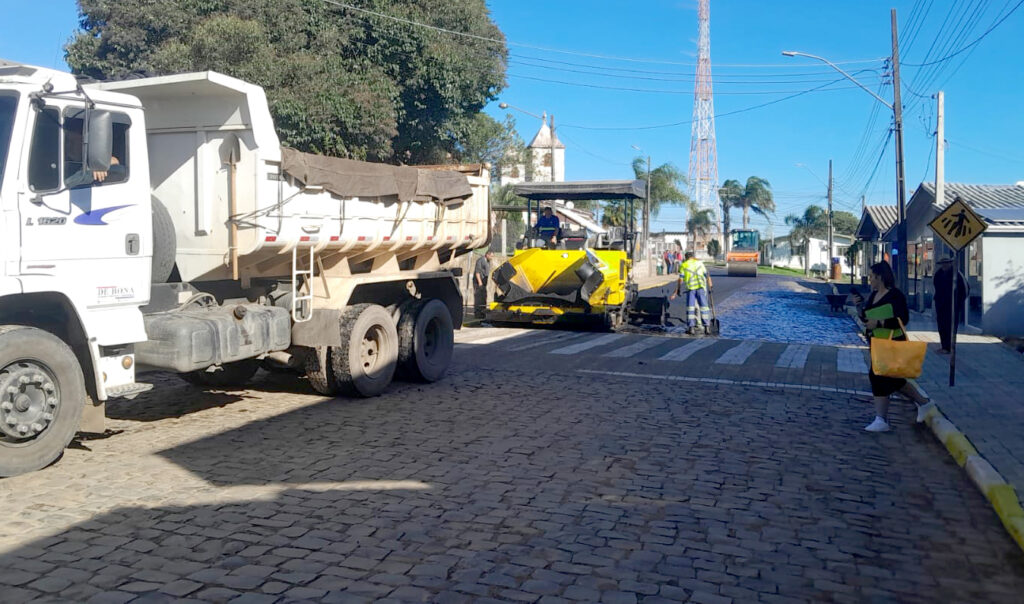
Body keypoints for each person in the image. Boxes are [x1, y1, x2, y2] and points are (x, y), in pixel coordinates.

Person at [851, 261, 933, 432]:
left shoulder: (896, 296)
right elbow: (867, 319)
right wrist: (859, 307)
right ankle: (921, 403)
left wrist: (880, 322)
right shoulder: (873, 296)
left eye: (872, 277)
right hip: (877, 342)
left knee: (881, 376)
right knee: (885, 377)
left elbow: (903, 319)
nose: (870, 280)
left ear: (880, 277)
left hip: (893, 342)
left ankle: (882, 418)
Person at [670, 251, 712, 335]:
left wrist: (677, 291)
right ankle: (707, 327)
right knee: (704, 307)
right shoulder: (700, 263)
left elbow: (680, 279)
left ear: (686, 258)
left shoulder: (684, 265)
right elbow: (707, 275)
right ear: (693, 257)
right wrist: (710, 286)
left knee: (690, 308)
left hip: (691, 289)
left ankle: (691, 328)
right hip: (701, 288)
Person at [932, 254, 968, 355]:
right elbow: (936, 287)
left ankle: (950, 347)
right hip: (941, 305)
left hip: (952, 306)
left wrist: (958, 302)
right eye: (943, 263)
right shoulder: (938, 274)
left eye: (946, 263)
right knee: (942, 326)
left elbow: (965, 289)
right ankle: (944, 346)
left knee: (951, 327)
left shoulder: (956, 274)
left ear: (950, 263)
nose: (944, 265)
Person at [473, 250, 494, 319]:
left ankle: (483, 314)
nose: (491, 258)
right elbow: (477, 272)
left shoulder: (488, 261)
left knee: (483, 298)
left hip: (484, 283)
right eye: (491, 256)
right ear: (487, 255)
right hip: (479, 283)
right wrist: (480, 283)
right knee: (478, 299)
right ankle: (478, 314)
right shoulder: (480, 261)